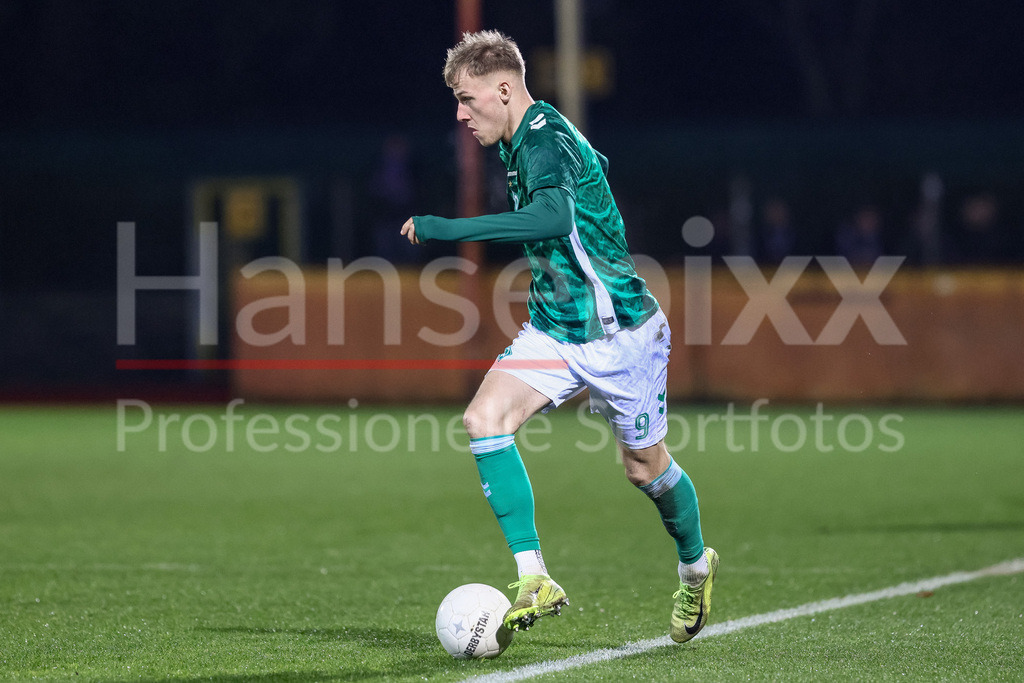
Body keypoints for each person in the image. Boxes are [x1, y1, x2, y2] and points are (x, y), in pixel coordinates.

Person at [401, 30, 717, 642]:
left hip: (623, 333)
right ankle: (533, 576)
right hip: (555, 328)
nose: (460, 114)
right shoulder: (522, 140)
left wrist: (448, 227)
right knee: (483, 419)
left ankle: (696, 566)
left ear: (503, 88)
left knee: (644, 468)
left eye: (467, 100)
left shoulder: (542, 139)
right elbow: (591, 178)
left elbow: (555, 217)